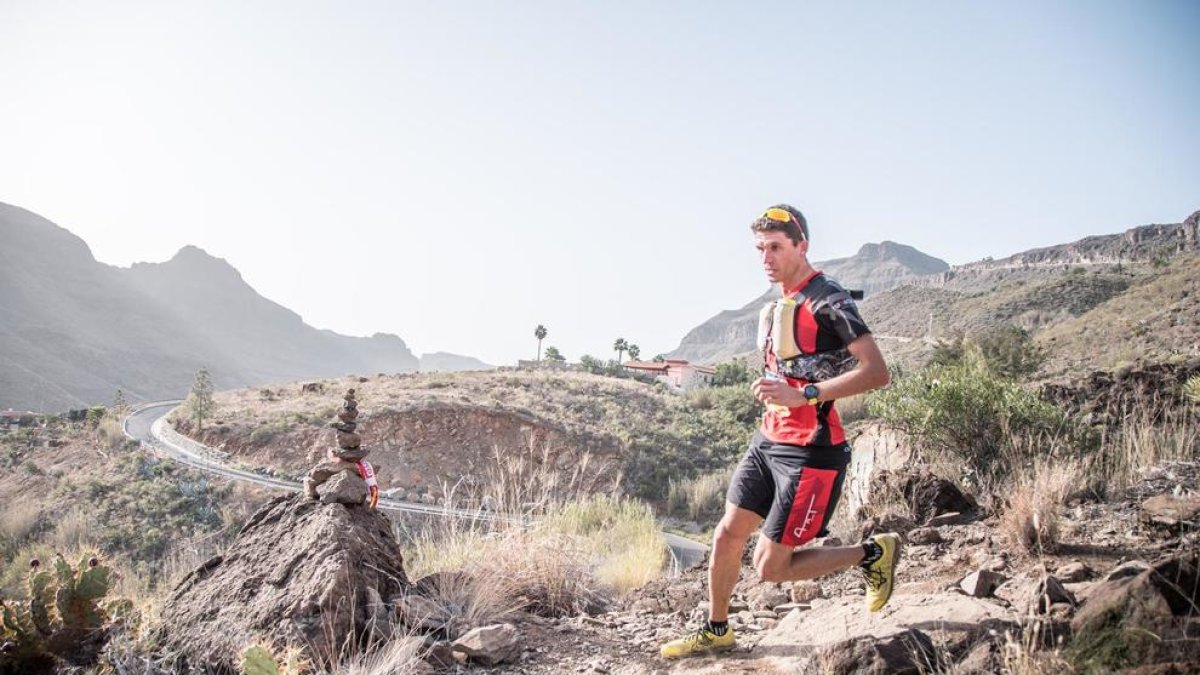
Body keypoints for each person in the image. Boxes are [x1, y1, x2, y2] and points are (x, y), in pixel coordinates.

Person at [660, 204, 899, 659]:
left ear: (801, 246)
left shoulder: (829, 300)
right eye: (760, 249)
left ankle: (872, 554)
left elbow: (877, 372)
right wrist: (776, 393)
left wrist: (804, 394)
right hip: (768, 442)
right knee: (727, 535)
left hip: (812, 450)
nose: (765, 257)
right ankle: (717, 629)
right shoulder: (778, 306)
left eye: (775, 247)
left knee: (771, 568)